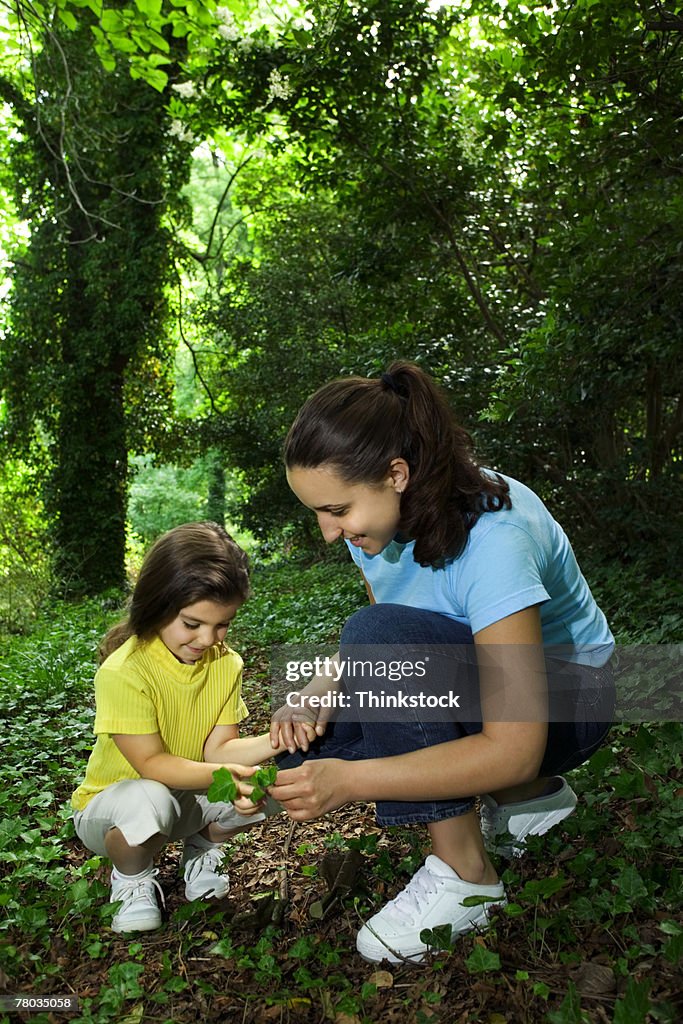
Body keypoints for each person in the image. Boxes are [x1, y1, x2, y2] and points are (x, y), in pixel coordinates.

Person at [268, 361, 615, 964]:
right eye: (318, 513)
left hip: (569, 702)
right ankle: (529, 801)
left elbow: (514, 744)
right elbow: (409, 633)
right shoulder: (378, 525)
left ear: (396, 474)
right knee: (305, 744)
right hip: (480, 680)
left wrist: (352, 781)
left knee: (367, 660)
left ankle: (467, 874)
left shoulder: (493, 537)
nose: (329, 533)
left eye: (338, 509)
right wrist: (325, 680)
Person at [71, 522, 293, 934]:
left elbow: (218, 753)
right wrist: (230, 777)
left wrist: (278, 740)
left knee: (279, 780)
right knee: (149, 800)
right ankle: (133, 878)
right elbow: (152, 763)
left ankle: (203, 848)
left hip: (187, 796)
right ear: (157, 605)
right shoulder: (125, 670)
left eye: (222, 624)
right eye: (192, 624)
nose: (208, 639)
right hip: (114, 808)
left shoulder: (227, 664)